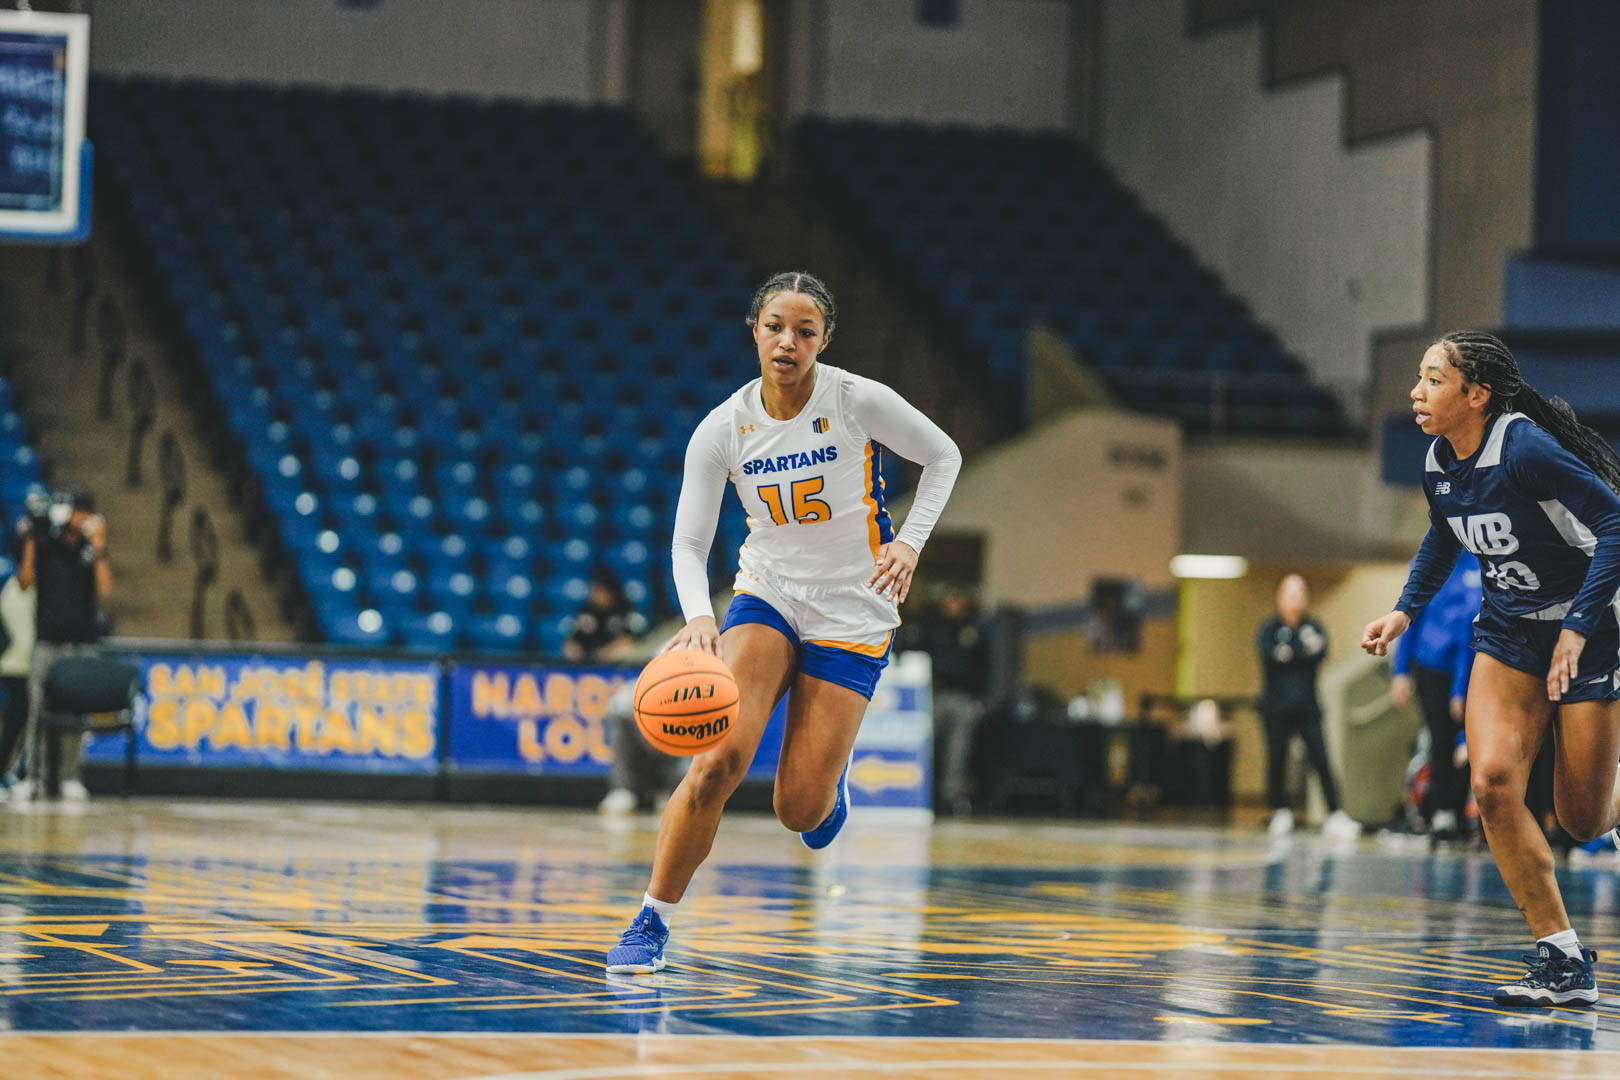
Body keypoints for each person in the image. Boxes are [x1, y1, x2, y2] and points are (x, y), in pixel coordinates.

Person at [604, 270, 962, 974]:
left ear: (824, 339)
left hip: (854, 605)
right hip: (768, 592)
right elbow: (687, 543)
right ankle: (651, 921)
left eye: (805, 330)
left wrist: (910, 542)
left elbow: (944, 455)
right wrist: (701, 619)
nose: (789, 341)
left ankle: (829, 789)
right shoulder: (722, 429)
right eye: (776, 327)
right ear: (755, 331)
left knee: (798, 810)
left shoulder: (857, 400)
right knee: (715, 761)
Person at [1363, 330, 1620, 1008]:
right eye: (1418, 378)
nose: (1416, 392)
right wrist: (1404, 611)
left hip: (1585, 633)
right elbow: (1446, 531)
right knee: (1494, 782)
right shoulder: (1438, 461)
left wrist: (1579, 626)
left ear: (1475, 394)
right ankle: (1561, 960)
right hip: (1506, 635)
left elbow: (1616, 526)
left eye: (1432, 379)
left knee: (1583, 820)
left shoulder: (1526, 448)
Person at [14, 488, 112, 802]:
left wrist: (99, 547)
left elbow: (105, 589)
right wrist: (30, 541)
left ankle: (71, 777)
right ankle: (33, 777)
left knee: (76, 716)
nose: (79, 518)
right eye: (76, 511)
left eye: (85, 513)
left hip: (80, 644)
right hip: (47, 641)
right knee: (37, 712)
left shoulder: (89, 549)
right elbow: (25, 582)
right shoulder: (47, 545)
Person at [1256, 573, 1360, 840]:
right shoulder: (1269, 630)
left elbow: (1319, 653)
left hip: (1307, 707)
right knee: (1277, 760)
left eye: (1300, 592)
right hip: (1275, 707)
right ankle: (1279, 810)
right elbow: (1273, 656)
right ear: (1279, 598)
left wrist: (1291, 653)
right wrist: (1299, 652)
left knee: (1321, 759)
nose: (1295, 599)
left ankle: (1336, 814)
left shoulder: (1314, 626)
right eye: (1290, 593)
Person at [1389, 555, 1482, 841]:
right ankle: (1442, 813)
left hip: (1469, 662)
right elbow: (1410, 614)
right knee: (1441, 739)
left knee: (1470, 742)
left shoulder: (1479, 561)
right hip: (1430, 663)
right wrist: (1400, 671)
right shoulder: (1428, 560)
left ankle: (1464, 811)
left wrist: (1459, 689)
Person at [559, 569, 659, 815]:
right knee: (618, 724)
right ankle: (623, 790)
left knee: (654, 730)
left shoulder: (628, 613)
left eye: (601, 591)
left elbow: (635, 644)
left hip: (632, 678)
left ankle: (665, 788)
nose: (597, 596)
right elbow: (570, 643)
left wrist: (601, 657)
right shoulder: (587, 613)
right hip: (600, 685)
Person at [897, 583, 989, 815]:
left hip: (963, 698)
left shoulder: (973, 631)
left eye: (959, 600)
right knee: (924, 745)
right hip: (933, 696)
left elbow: (984, 667)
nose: (955, 604)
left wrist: (981, 699)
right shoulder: (931, 628)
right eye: (951, 599)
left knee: (959, 749)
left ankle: (952, 798)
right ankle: (916, 793)